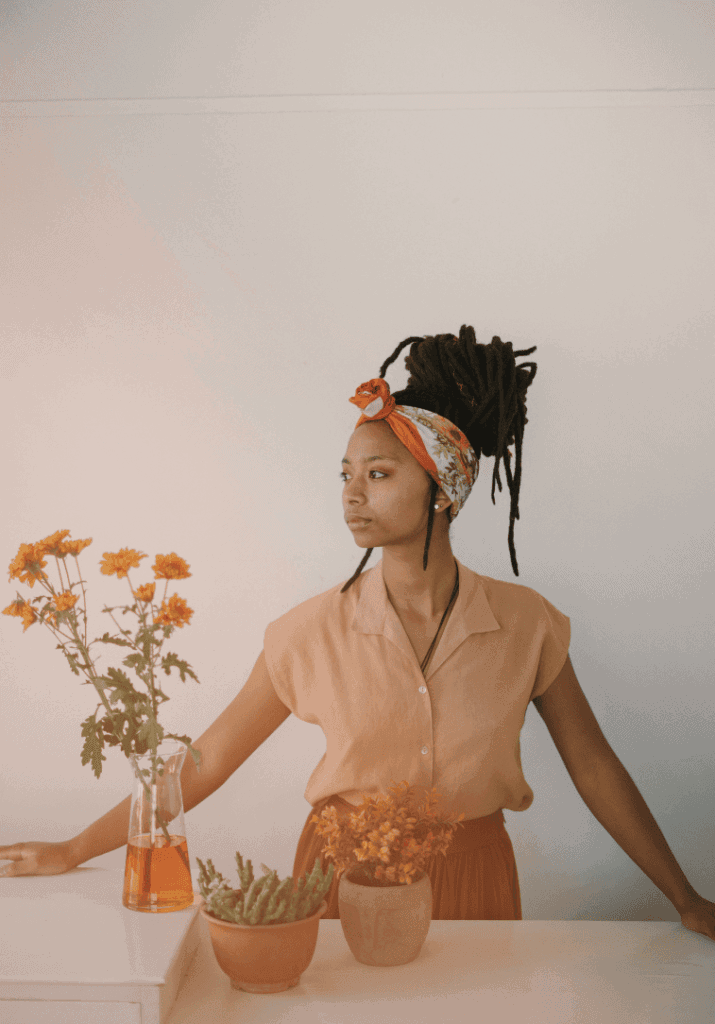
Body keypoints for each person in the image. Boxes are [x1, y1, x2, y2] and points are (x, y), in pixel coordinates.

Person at [1, 327, 713, 941]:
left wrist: (684, 900)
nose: (351, 494)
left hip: (476, 882)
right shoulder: (308, 631)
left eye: (377, 474)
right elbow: (208, 757)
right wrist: (73, 848)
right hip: (341, 880)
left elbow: (593, 766)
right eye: (345, 475)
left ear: (444, 489)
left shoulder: (526, 625)